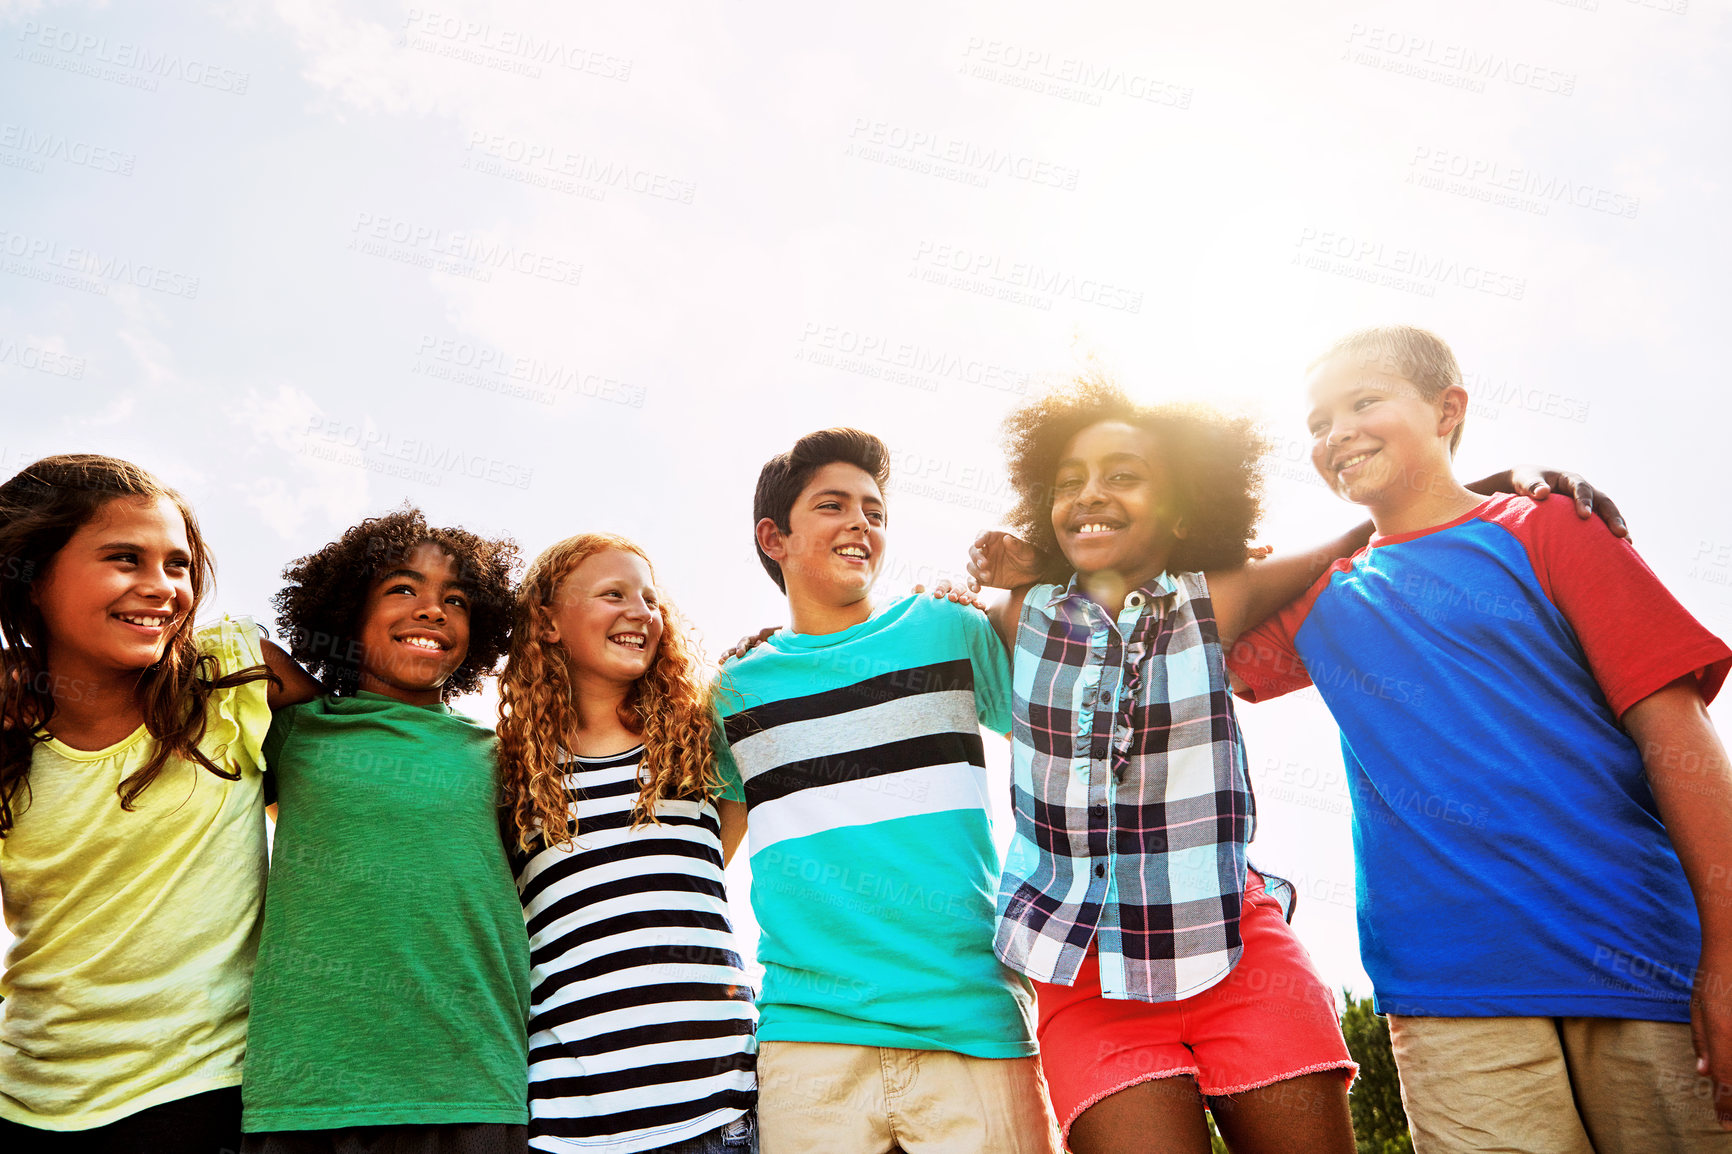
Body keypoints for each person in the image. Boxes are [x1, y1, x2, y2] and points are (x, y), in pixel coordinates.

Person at [1226, 325, 1732, 1152]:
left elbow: (1677, 730)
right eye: (1317, 422)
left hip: (1645, 958)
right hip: (1450, 991)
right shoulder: (1320, 596)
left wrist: (1727, 953)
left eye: (1363, 402)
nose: (1335, 433)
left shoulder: (1552, 529)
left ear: (1448, 408)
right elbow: (1174, 622)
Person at [714, 428, 1062, 1154]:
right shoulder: (733, 692)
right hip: (811, 1040)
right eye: (833, 506)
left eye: (874, 512)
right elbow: (702, 853)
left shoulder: (947, 629)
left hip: (970, 1020)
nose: (860, 526)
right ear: (773, 538)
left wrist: (1033, 568)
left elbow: (1070, 680)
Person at [0, 454, 316, 1153]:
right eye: (124, 558)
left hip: (206, 1090)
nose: (162, 588)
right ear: (32, 575)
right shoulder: (9, 730)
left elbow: (364, 767)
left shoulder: (232, 676)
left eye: (178, 565)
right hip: (25, 1097)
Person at [240, 506, 532, 1154]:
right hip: (304, 1097)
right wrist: (315, 691)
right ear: (346, 614)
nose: (431, 610)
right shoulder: (296, 731)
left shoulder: (501, 756)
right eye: (403, 589)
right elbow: (239, 649)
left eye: (455, 600)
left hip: (470, 1085)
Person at [497, 533, 757, 1154]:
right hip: (570, 1128)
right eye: (613, 594)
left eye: (649, 597)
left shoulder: (701, 746)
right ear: (549, 622)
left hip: (718, 1114)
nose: (641, 612)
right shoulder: (510, 780)